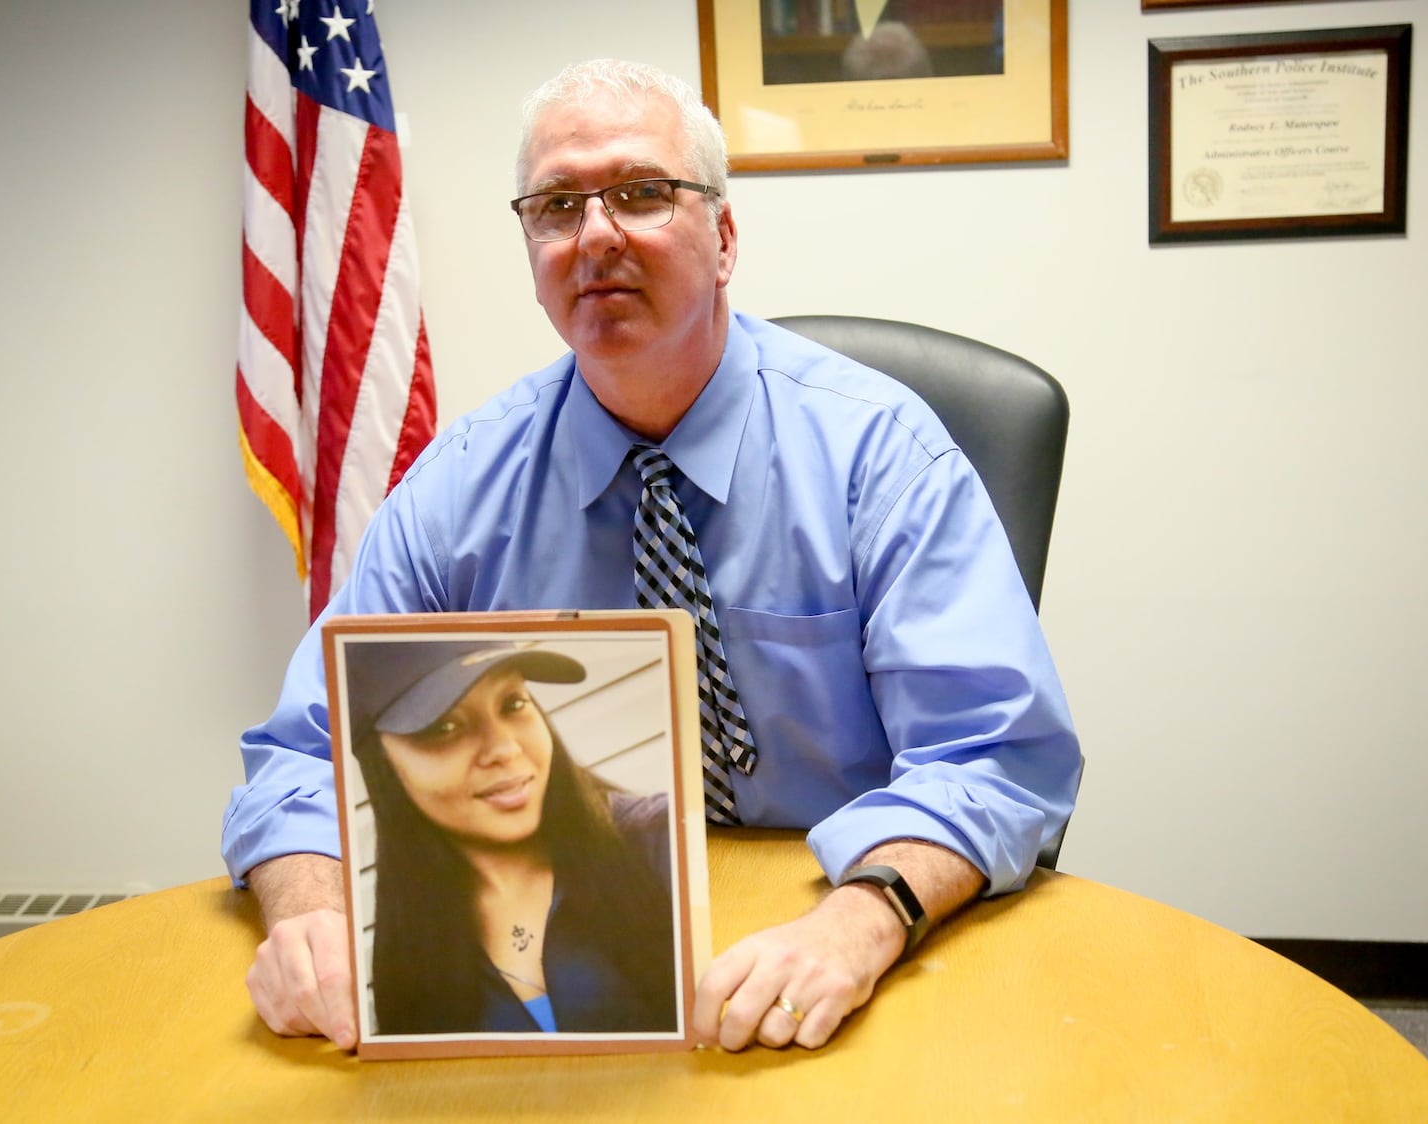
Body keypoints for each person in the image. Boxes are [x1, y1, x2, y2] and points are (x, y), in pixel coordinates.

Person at [227, 57, 1081, 1054]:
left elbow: (993, 750)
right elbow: (302, 753)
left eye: (640, 193)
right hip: (561, 961)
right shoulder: (457, 486)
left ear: (722, 237)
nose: (594, 236)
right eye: (556, 205)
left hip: (842, 945)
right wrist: (311, 912)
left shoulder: (878, 453)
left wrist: (861, 920)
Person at [345, 640, 675, 1034]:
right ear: (382, 763)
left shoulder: (661, 842)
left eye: (513, 703)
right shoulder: (409, 952)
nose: (505, 748)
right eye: (444, 727)